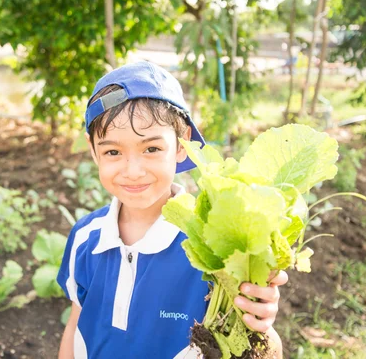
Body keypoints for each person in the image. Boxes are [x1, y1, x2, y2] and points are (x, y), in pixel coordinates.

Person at [56, 61, 288, 359]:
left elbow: (265, 350)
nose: (133, 171)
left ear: (182, 145)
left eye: (151, 149)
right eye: (113, 152)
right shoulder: (85, 238)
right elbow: (76, 324)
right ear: (93, 150)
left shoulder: (213, 246)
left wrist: (261, 322)